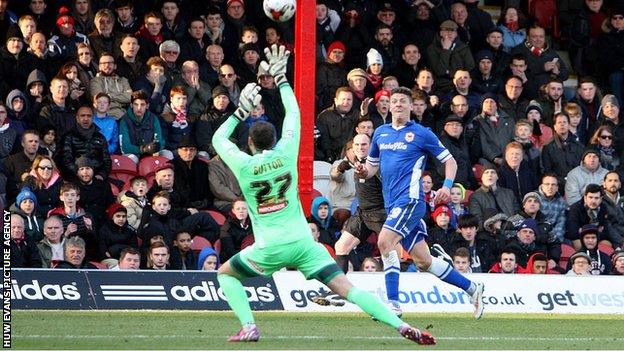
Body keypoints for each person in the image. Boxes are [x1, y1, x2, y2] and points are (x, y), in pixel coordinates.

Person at [212, 45, 435, 344]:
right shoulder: (287, 152)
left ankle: (249, 325)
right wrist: (281, 81)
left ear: (250, 144)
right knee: (350, 290)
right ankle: (400, 325)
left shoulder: (243, 164)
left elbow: (218, 138)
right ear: (276, 140)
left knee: (226, 274)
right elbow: (294, 113)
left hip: (268, 247)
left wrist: (240, 111)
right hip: (305, 244)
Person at [354, 85, 484, 319]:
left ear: (411, 106)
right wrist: (363, 170)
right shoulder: (381, 133)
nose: (399, 105)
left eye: (404, 101)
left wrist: (446, 186)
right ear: (390, 105)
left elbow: (450, 162)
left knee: (384, 241)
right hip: (392, 204)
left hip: (410, 201)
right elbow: (372, 168)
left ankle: (393, 303)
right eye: (395, 101)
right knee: (423, 261)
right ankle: (472, 288)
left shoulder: (422, 133)